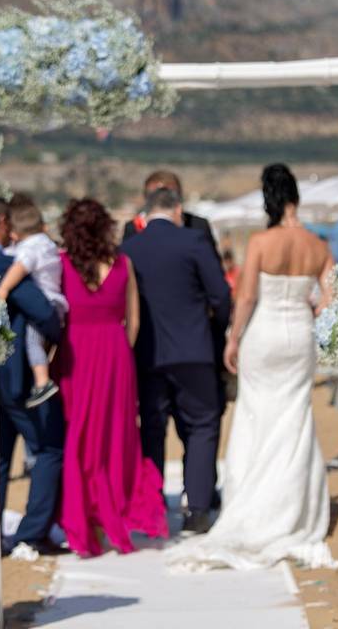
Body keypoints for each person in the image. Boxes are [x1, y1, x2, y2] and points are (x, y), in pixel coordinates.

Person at [167, 164, 338, 571]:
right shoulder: (318, 245)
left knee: (257, 415)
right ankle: (291, 508)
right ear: (295, 197)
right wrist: (311, 315)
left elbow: (244, 298)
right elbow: (330, 299)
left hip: (263, 337)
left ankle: (254, 501)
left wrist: (232, 337)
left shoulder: (262, 242)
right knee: (295, 417)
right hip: (300, 336)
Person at [54, 198, 168, 556]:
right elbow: (132, 322)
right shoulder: (123, 263)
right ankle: (111, 513)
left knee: (80, 434)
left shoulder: (61, 265)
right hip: (116, 353)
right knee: (117, 435)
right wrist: (119, 350)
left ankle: (86, 519)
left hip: (77, 352)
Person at [120, 187, 231, 534]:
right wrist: (218, 330)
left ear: (146, 212)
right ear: (178, 211)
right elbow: (220, 294)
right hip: (194, 350)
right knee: (202, 425)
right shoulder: (193, 242)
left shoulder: (128, 249)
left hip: (146, 354)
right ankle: (197, 509)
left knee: (151, 428)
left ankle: (151, 510)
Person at [0, 197, 64, 556]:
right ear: (4, 222)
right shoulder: (9, 266)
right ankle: (32, 533)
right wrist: (56, 330)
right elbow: (42, 311)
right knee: (49, 448)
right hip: (18, 377)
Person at [0, 194, 69, 407]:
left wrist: (3, 289)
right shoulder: (46, 243)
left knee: (32, 341)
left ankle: (42, 381)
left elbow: (20, 267)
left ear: (15, 233)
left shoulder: (30, 247)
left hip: (45, 303)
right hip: (56, 303)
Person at [123, 170, 219, 258]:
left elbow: (212, 262)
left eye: (169, 196)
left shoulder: (198, 225)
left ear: (179, 197)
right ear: (146, 198)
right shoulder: (134, 227)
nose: (162, 200)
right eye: (155, 196)